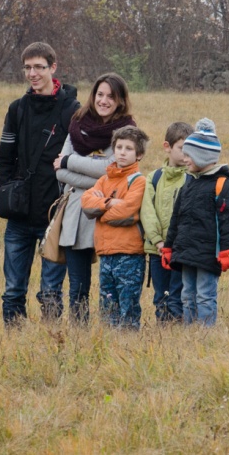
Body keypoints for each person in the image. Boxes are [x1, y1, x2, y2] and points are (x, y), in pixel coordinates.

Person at [0, 42, 80, 325]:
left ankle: (48, 347)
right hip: (19, 215)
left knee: (51, 292)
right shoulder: (17, 109)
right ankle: (14, 346)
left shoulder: (71, 110)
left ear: (53, 68)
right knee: (12, 291)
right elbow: (4, 159)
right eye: (28, 68)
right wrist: (6, 193)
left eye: (39, 67)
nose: (33, 73)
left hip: (54, 216)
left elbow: (81, 155)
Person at [53, 73, 136, 323]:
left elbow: (113, 169)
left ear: (120, 101)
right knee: (78, 284)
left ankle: (111, 329)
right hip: (77, 215)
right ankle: (80, 332)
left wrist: (71, 161)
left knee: (112, 283)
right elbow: (60, 173)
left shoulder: (127, 130)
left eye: (111, 96)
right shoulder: (78, 123)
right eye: (100, 94)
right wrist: (94, 174)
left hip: (111, 216)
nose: (104, 100)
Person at [162, 118, 229, 326]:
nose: (185, 159)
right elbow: (176, 219)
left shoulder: (224, 184)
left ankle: (205, 333)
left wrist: (226, 251)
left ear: (202, 156)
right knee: (187, 295)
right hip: (186, 252)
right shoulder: (189, 183)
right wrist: (169, 248)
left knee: (205, 295)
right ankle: (190, 333)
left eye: (189, 155)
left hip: (208, 254)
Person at [80, 125, 149, 329]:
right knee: (107, 306)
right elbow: (86, 202)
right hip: (106, 253)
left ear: (139, 154)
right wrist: (108, 203)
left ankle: (128, 345)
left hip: (128, 254)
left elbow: (127, 212)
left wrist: (100, 211)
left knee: (127, 305)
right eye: (119, 147)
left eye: (128, 148)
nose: (122, 152)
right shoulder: (104, 180)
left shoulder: (139, 181)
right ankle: (110, 346)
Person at [141, 122, 192, 323]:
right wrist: (158, 241)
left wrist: (178, 243)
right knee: (161, 296)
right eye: (182, 148)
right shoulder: (154, 177)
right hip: (157, 251)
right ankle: (163, 330)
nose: (186, 154)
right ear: (167, 147)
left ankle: (178, 333)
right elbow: (147, 211)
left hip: (181, 252)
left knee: (179, 296)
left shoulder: (192, 178)